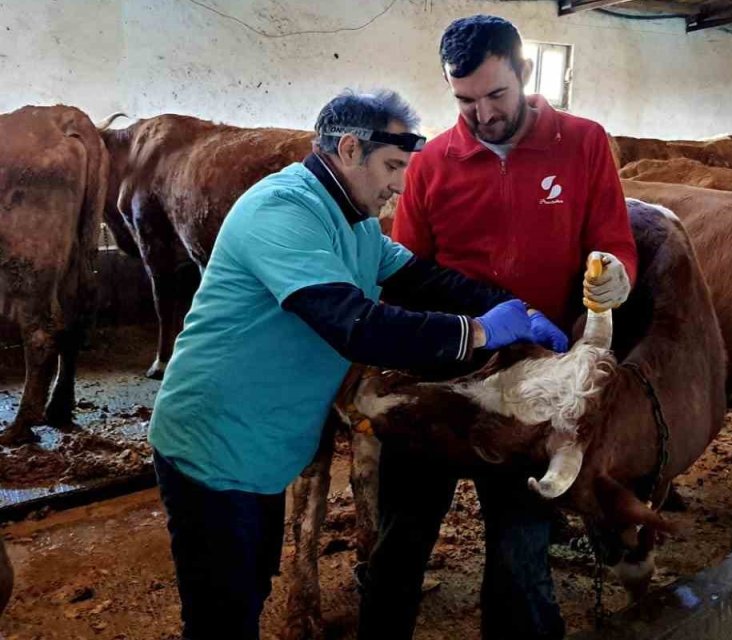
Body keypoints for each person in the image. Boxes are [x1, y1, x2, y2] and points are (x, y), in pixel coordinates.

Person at [148, 88, 566, 640]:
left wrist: (508, 305)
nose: (399, 184)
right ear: (349, 149)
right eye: (392, 166)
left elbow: (420, 277)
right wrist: (483, 331)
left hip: (265, 448)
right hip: (214, 444)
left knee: (248, 590)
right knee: (222, 616)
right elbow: (356, 324)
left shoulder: (356, 221)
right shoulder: (281, 212)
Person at [358, 15, 638, 640]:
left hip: (538, 380)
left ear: (525, 73)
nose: (481, 114)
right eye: (464, 100)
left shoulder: (584, 143)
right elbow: (407, 270)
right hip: (447, 372)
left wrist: (617, 274)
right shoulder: (432, 164)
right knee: (402, 539)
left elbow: (613, 238)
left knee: (519, 552)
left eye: (495, 96)